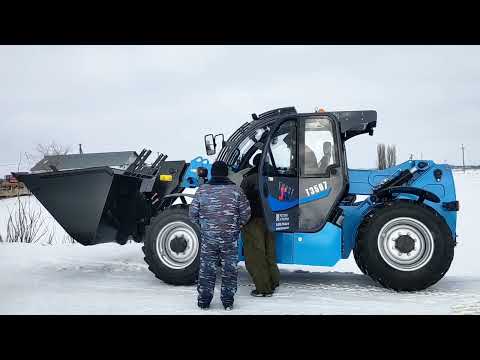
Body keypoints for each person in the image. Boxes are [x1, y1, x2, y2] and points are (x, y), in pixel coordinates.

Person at [189, 161, 251, 311]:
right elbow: (246, 214)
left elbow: (192, 215)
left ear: (213, 173)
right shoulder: (236, 191)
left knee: (207, 269)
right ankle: (228, 302)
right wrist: (237, 226)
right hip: (230, 240)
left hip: (209, 239)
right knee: (229, 269)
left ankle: (204, 301)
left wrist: (205, 228)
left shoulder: (202, 191)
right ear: (226, 173)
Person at [241, 153, 281, 297]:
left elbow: (242, 201)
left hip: (254, 220)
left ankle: (263, 289)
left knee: (255, 255)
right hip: (271, 220)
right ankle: (273, 281)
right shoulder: (276, 178)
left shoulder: (249, 179)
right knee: (270, 252)